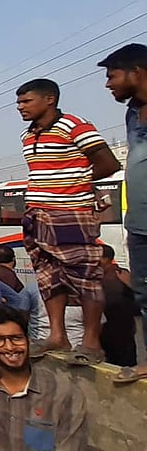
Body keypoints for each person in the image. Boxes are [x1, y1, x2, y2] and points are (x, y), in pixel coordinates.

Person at [14, 78, 121, 365]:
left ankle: (90, 342)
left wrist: (76, 183)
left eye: (26, 101)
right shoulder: (28, 135)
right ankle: (57, 335)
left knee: (85, 277)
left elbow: (109, 163)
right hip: (37, 213)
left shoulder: (74, 125)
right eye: (19, 102)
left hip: (71, 212)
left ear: (49, 99)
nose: (20, 107)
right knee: (48, 276)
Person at [0, 304, 89, 450]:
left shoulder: (63, 392)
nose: (10, 347)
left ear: (28, 340)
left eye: (16, 338)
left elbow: (71, 446)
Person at [98, 43, 147, 383]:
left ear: (136, 72)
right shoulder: (133, 112)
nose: (108, 84)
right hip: (140, 221)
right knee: (144, 294)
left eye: (112, 75)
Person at [96, 245, 137, 368]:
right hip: (105, 332)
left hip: (123, 332)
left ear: (107, 259)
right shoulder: (96, 277)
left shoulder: (122, 275)